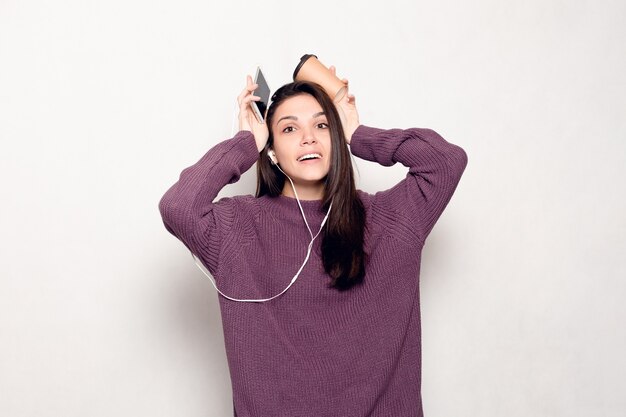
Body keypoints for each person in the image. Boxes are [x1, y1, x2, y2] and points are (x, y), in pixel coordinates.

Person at [158, 66, 468, 417]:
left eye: (321, 125)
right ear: (272, 151)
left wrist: (357, 132)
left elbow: (445, 162)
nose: (308, 138)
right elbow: (178, 207)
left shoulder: (391, 218)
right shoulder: (236, 227)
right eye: (289, 129)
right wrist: (246, 144)